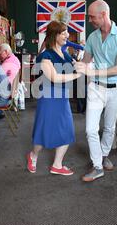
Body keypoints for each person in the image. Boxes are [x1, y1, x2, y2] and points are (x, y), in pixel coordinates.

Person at [75, 0, 117, 182]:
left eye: (92, 17)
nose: (90, 20)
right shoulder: (92, 37)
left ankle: (104, 155)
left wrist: (92, 71)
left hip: (116, 89)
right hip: (96, 88)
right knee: (91, 129)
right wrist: (79, 65)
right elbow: (86, 60)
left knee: (109, 127)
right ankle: (97, 166)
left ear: (104, 14)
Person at [27, 21, 82, 176]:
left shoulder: (64, 53)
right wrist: (76, 75)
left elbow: (73, 65)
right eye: (63, 32)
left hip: (62, 97)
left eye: (67, 32)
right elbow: (53, 77)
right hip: (49, 97)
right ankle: (33, 155)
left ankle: (57, 164)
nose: (67, 35)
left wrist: (79, 65)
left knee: (67, 130)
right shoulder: (45, 55)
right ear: (54, 35)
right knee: (44, 130)